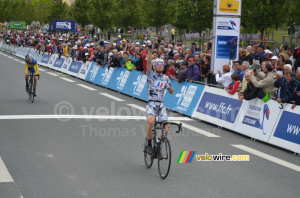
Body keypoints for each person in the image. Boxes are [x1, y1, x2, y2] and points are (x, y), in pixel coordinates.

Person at [145, 43, 174, 155]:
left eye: (162, 64)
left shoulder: (166, 78)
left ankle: (158, 145)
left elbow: (171, 92)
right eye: (158, 64)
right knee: (151, 122)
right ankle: (148, 145)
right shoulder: (150, 75)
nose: (161, 66)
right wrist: (150, 52)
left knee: (166, 129)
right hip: (151, 103)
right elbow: (148, 63)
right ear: (154, 66)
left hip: (161, 105)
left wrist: (169, 87)